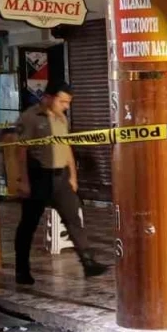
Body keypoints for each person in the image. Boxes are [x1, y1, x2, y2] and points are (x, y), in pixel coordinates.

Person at [13, 82, 108, 285]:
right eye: (62, 101)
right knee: (28, 224)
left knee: (74, 218)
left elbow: (67, 147)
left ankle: (88, 263)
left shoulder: (61, 118)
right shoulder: (29, 118)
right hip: (38, 177)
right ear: (48, 97)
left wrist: (73, 176)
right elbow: (20, 151)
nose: (66, 106)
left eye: (68, 102)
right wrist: (24, 181)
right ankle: (22, 270)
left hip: (61, 178)